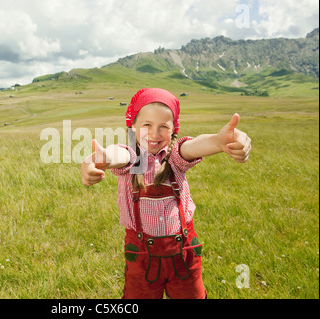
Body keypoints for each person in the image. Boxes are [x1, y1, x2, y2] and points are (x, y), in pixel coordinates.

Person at [81, 88, 251, 299]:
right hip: (141, 257)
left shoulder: (175, 158)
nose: (154, 134)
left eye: (164, 126)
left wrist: (218, 142)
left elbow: (194, 146)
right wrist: (102, 159)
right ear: (132, 126)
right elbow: (120, 155)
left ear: (173, 130)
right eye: (147, 125)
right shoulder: (132, 159)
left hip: (184, 253)